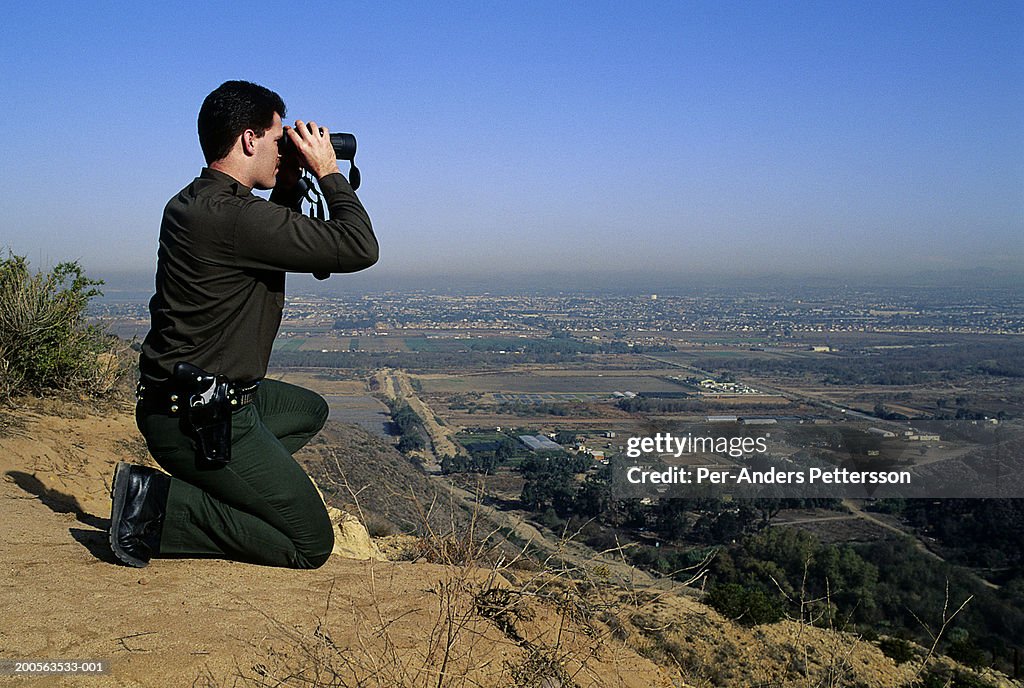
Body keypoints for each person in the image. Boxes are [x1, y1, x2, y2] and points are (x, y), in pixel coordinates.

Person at [109, 80, 378, 569]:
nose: (286, 149)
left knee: (307, 410)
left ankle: (228, 483)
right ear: (250, 140)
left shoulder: (199, 204)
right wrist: (328, 172)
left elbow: (278, 237)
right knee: (309, 544)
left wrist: (291, 185)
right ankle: (158, 506)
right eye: (280, 140)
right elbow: (359, 247)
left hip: (194, 400)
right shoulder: (233, 217)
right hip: (198, 416)